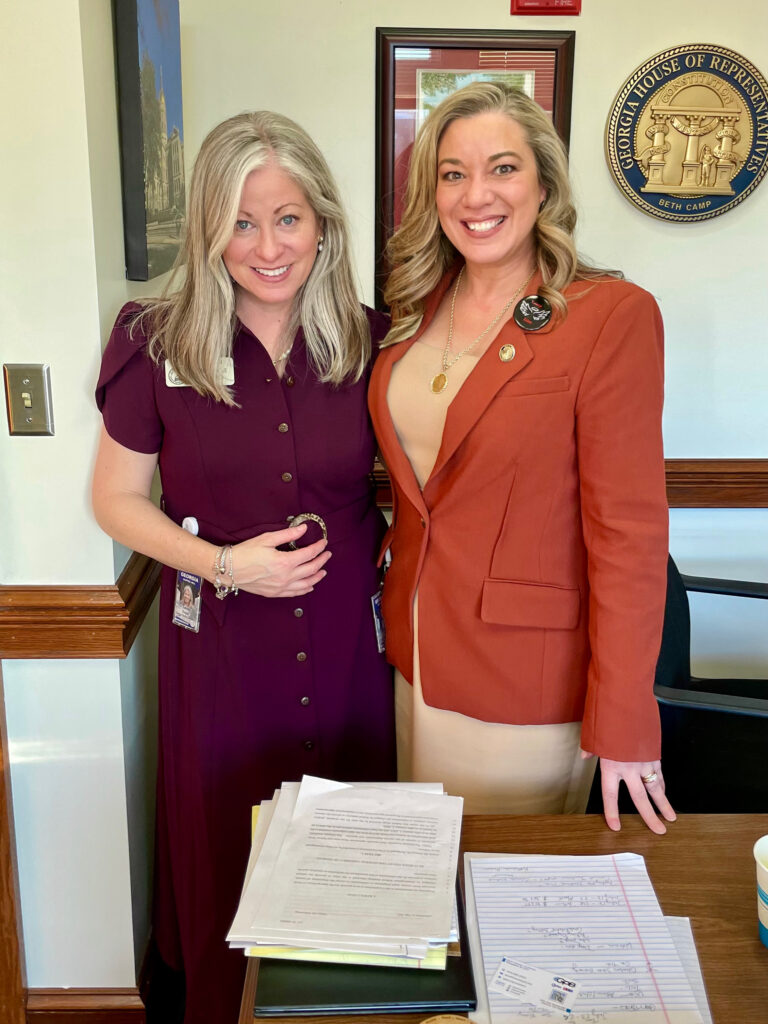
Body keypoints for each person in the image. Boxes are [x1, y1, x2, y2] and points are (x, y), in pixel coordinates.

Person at [92, 111, 395, 1024]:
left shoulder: (373, 340)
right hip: (222, 642)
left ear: (322, 222)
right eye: (242, 222)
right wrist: (226, 564)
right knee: (230, 832)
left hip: (347, 641)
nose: (268, 247)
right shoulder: (155, 341)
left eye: (288, 218)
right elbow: (116, 501)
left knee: (351, 838)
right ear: (207, 229)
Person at [369, 82, 676, 834]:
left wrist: (625, 719)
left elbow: (629, 535)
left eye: (503, 168)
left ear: (544, 184)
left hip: (524, 679)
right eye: (453, 174)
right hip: (412, 655)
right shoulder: (416, 307)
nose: (476, 195)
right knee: (426, 876)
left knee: (508, 887)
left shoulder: (610, 316)